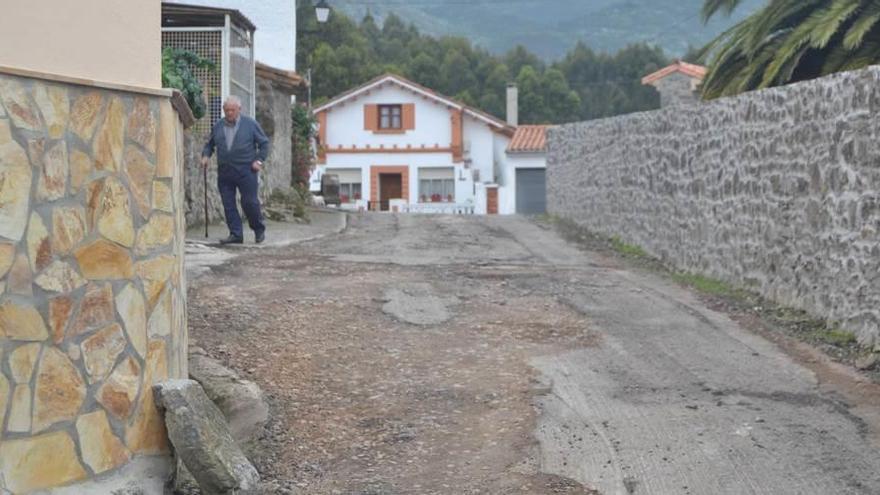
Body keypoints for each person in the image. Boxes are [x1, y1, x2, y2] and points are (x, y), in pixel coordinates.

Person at [201, 96, 270, 244]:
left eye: (232, 110)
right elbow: (209, 144)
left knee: (249, 202)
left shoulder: (250, 124)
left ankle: (258, 229)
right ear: (223, 110)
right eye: (227, 110)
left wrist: (259, 160)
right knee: (228, 203)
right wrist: (206, 156)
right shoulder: (218, 125)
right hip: (225, 171)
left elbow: (264, 144)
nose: (230, 113)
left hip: (246, 170)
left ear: (239, 109)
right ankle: (236, 234)